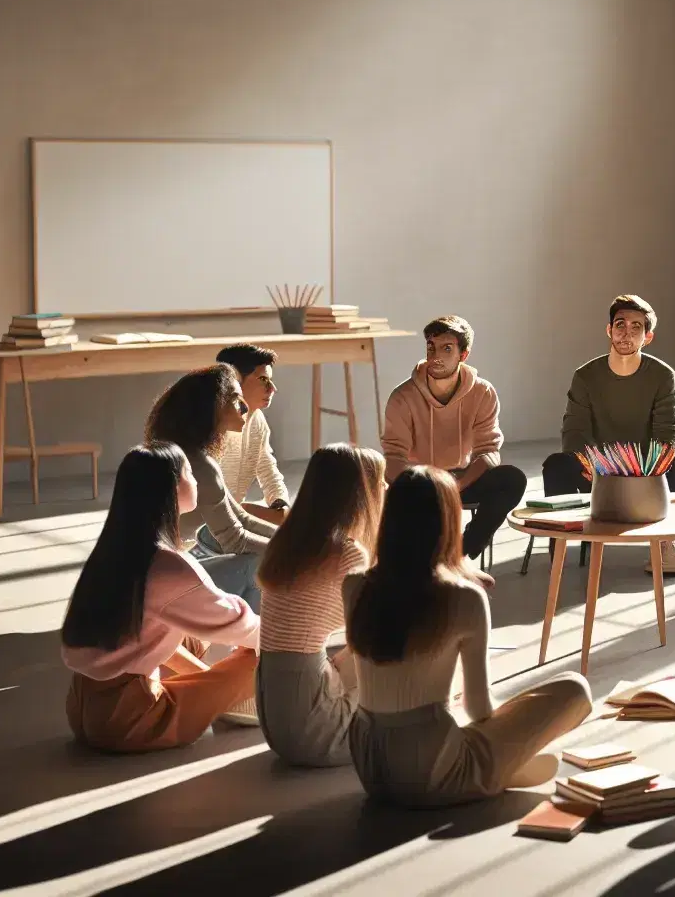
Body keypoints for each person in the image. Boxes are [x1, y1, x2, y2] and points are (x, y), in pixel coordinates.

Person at [344, 467, 592, 807]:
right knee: (575, 688)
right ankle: (489, 771)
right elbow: (478, 710)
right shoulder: (464, 598)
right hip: (429, 769)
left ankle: (496, 769)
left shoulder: (354, 585)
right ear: (449, 522)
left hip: (370, 765)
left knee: (443, 707)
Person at [60, 443, 260, 752]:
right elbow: (239, 625)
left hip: (84, 709)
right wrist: (289, 639)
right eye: (189, 473)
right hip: (131, 719)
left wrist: (209, 681)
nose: (194, 480)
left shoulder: (112, 551)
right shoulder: (168, 566)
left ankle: (211, 697)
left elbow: (142, 643)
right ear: (172, 487)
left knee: (192, 637)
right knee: (255, 656)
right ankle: (233, 701)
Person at [253, 444, 383, 767]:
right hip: (312, 729)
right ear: (360, 494)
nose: (385, 489)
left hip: (276, 719)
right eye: (379, 483)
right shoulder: (348, 554)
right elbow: (370, 635)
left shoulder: (287, 544)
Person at [541, 294, 675, 575]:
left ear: (648, 337)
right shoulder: (585, 376)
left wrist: (643, 474)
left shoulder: (663, 376)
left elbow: (668, 433)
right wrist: (593, 470)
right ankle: (558, 545)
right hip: (596, 474)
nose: (627, 333)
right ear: (609, 330)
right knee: (557, 464)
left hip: (645, 476)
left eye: (637, 327)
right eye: (620, 324)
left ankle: (666, 541)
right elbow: (574, 431)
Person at [382, 316, 527, 566]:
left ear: (464, 354)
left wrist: (457, 484)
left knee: (512, 478)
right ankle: (419, 562)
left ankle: (459, 552)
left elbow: (489, 451)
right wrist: (429, 485)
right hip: (419, 483)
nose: (436, 355)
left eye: (446, 348)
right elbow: (393, 458)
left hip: (461, 478)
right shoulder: (402, 397)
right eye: (431, 347)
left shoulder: (483, 392)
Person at [145, 364, 276, 611]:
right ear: (213, 408)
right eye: (237, 400)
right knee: (263, 563)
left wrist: (290, 540)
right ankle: (257, 643)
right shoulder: (200, 466)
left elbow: (242, 518)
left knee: (216, 537)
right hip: (160, 585)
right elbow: (234, 540)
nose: (245, 406)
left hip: (156, 571)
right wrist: (298, 553)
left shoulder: (188, 453)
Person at [215, 344, 290, 525]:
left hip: (233, 516)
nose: (272, 388)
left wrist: (281, 505)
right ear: (234, 379)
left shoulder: (257, 419)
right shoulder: (211, 423)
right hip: (206, 524)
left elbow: (268, 470)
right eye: (263, 379)